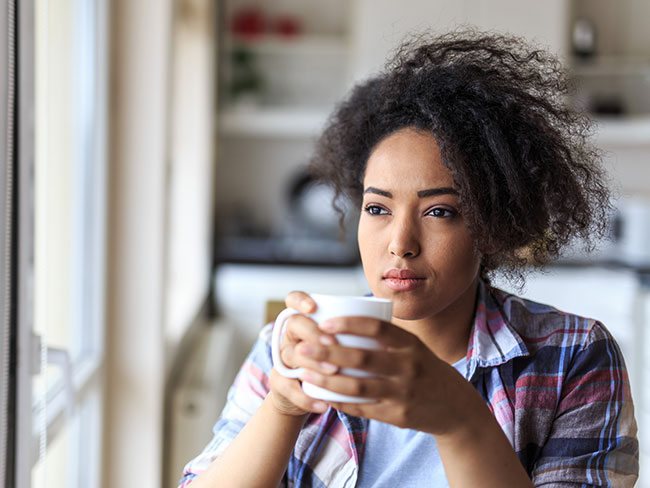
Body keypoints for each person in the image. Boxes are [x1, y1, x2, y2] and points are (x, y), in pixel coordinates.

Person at [179, 30, 638, 487]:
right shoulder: (288, 353)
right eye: (377, 208)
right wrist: (281, 407)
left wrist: (460, 419)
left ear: (494, 227)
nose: (400, 243)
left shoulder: (574, 356)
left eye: (439, 212)